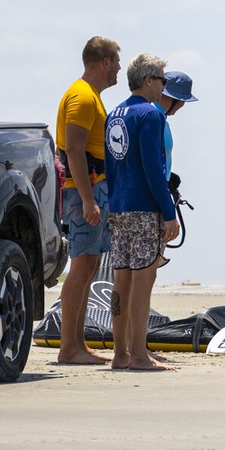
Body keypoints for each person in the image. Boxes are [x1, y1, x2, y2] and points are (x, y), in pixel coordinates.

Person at [104, 54, 181, 371]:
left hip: (119, 207)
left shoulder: (115, 114)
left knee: (121, 281)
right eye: (162, 80)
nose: (164, 86)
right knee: (142, 281)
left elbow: (111, 166)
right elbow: (154, 168)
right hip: (144, 207)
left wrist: (114, 201)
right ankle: (138, 354)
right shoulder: (150, 116)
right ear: (148, 80)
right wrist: (168, 212)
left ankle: (120, 354)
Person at [55, 36, 121, 364]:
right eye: (117, 62)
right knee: (81, 264)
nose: (120, 68)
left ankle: (78, 345)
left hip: (93, 190)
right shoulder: (81, 96)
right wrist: (86, 199)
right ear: (105, 62)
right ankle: (68, 348)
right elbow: (74, 150)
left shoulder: (92, 96)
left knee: (91, 263)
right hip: (84, 190)